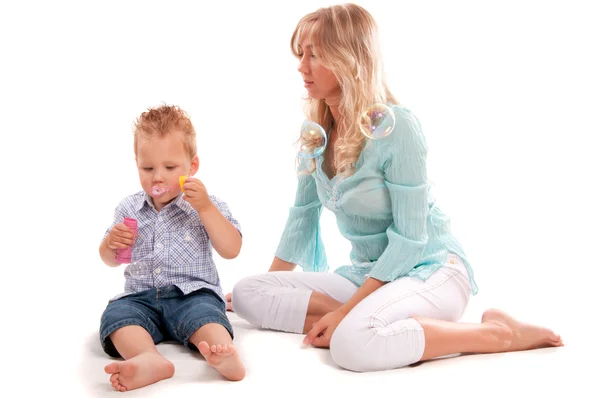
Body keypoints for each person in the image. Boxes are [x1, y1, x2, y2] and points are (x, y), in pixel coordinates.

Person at [228, 3, 562, 372]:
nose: (301, 66)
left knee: (352, 346)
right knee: (246, 293)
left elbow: (410, 239)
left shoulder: (398, 127)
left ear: (349, 59)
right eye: (301, 54)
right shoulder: (317, 132)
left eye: (315, 55)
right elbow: (301, 219)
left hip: (429, 270)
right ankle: (379, 322)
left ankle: (497, 333)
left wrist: (345, 313)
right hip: (370, 274)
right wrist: (270, 284)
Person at [98, 104, 245, 392]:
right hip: (140, 298)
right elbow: (109, 260)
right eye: (148, 168)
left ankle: (223, 354)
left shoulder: (204, 204)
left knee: (207, 315)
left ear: (192, 167)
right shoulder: (129, 208)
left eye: (170, 167)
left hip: (192, 294)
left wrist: (205, 208)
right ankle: (148, 358)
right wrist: (110, 244)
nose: (157, 177)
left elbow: (232, 249)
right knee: (116, 315)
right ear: (136, 163)